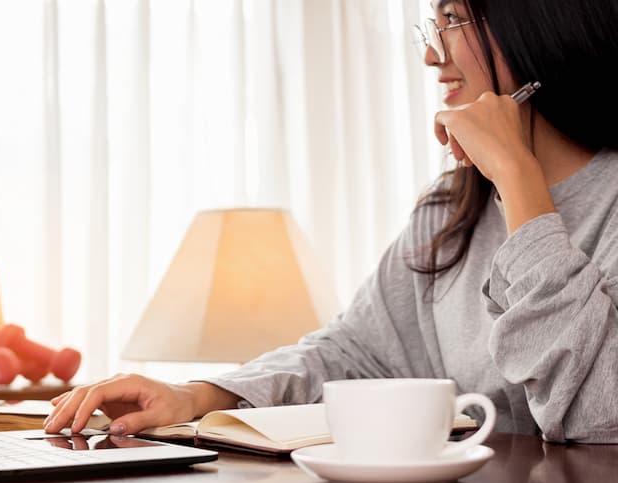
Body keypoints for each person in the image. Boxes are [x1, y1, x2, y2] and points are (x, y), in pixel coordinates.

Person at [45, 0, 618, 443]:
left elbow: (598, 416)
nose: (430, 54)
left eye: (452, 18)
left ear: (535, 23)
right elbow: (353, 354)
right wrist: (198, 396)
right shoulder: (448, 212)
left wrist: (519, 178)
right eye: (431, 22)